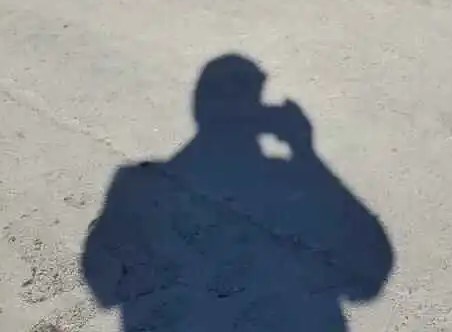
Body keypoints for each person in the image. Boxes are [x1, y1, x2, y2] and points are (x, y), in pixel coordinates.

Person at [81, 55, 393, 332]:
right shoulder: (288, 180)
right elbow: (370, 273)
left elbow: (101, 280)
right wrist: (305, 153)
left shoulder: (134, 186)